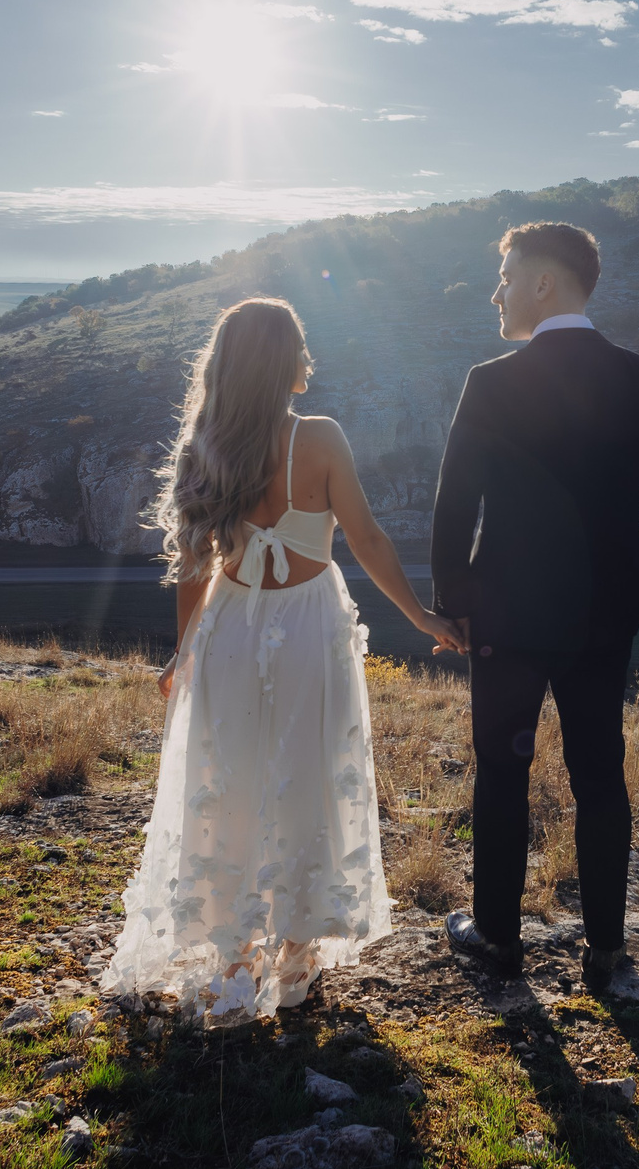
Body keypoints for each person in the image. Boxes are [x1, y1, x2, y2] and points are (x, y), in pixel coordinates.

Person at [101, 297, 464, 1024]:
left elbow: (194, 570)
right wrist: (421, 614)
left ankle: (234, 959)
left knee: (226, 781)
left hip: (231, 630)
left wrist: (184, 654)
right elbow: (367, 541)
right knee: (306, 778)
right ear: (290, 366)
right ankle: (294, 962)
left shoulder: (204, 446)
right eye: (302, 351)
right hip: (306, 632)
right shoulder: (320, 439)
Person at [430, 221, 639, 991]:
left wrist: (457, 604)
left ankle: (498, 940)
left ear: (545, 283)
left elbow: (453, 512)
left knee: (500, 778)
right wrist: (631, 597)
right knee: (600, 776)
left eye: (506, 274)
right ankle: (607, 953)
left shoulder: (490, 382)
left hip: (504, 623)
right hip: (602, 621)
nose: (497, 290)